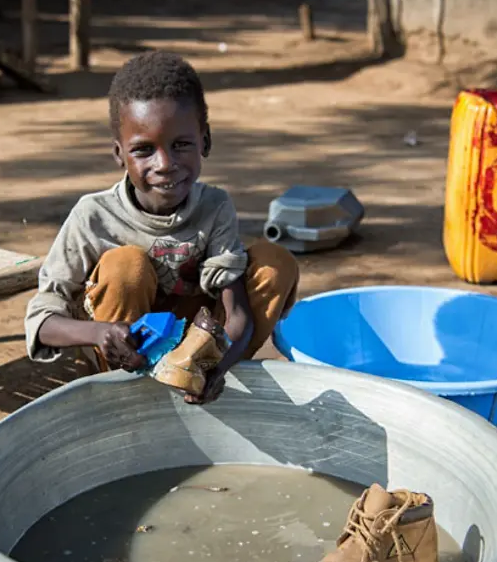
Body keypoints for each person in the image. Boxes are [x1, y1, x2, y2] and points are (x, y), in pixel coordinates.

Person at [24, 50, 300, 403]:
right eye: (143, 150)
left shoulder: (214, 206)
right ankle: (132, 391)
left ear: (206, 142)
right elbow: (42, 319)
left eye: (181, 145)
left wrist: (216, 369)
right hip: (128, 357)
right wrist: (101, 332)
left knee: (274, 262)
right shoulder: (93, 217)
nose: (165, 164)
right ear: (119, 154)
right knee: (126, 267)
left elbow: (239, 315)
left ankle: (198, 377)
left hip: (200, 354)